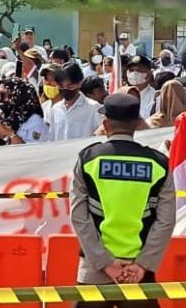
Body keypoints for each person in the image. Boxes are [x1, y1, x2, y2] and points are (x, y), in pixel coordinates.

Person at [69, 93, 175, 303]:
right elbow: (166, 221)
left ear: (105, 124)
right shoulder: (159, 163)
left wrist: (105, 263)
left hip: (94, 271)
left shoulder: (88, 159)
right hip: (138, 273)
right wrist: (142, 265)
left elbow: (79, 217)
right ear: (136, 124)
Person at [0, 77, 51, 146]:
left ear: (18, 96)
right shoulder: (3, 115)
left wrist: (10, 134)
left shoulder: (35, 121)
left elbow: (32, 152)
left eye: (3, 95)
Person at [50, 62, 102, 141]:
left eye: (70, 86)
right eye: (61, 87)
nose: (65, 90)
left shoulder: (93, 108)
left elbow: (100, 136)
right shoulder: (55, 109)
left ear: (80, 83)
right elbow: (52, 138)